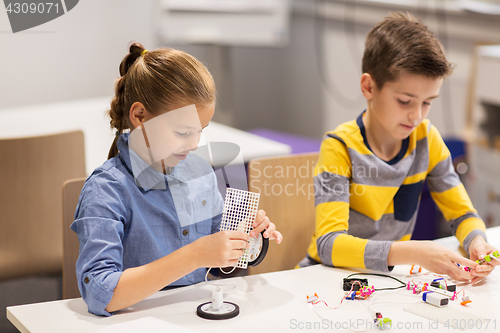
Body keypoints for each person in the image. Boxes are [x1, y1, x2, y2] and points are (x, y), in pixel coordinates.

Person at [71, 43, 283, 316]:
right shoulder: (107, 191)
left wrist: (246, 239)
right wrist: (195, 255)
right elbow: (99, 293)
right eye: (183, 133)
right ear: (139, 117)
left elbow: (220, 262)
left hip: (192, 316)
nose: (194, 144)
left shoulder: (199, 172)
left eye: (200, 131)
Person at [300, 13, 498, 283]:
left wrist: (477, 241)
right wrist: (414, 252)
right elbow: (329, 245)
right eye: (405, 101)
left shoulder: (427, 139)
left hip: (386, 279)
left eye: (427, 102)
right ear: (369, 86)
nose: (417, 116)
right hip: (327, 276)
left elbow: (462, 213)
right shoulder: (340, 147)